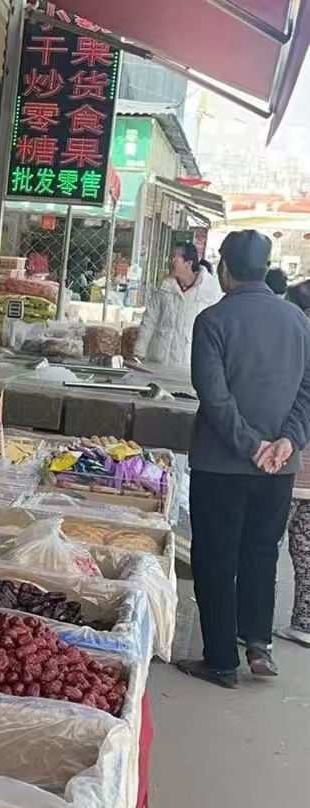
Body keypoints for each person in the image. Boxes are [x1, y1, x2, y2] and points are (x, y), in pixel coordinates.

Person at [177, 230, 310, 688]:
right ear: (265, 267)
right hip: (279, 467)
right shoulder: (297, 320)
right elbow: (307, 391)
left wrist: (251, 445)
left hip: (222, 465)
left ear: (225, 269)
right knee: (261, 551)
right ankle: (257, 642)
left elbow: (215, 398)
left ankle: (220, 660)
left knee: (216, 557)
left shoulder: (213, 320)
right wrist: (288, 440)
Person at [279, 278, 310, 647]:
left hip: (288, 465)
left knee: (263, 546)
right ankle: (304, 622)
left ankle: (251, 625)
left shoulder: (298, 342)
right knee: (306, 548)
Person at [134, 242, 223, 367]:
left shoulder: (210, 291)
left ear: (188, 263)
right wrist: (139, 351)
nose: (170, 262)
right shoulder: (164, 288)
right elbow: (150, 320)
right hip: (158, 360)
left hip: (188, 362)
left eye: (174, 258)